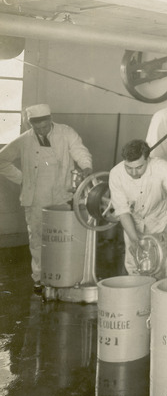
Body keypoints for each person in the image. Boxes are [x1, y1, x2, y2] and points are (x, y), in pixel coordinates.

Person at [0, 103, 93, 290]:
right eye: (37, 128)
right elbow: (2, 160)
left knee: (65, 236)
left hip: (62, 193)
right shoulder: (24, 140)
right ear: (30, 125)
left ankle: (67, 274)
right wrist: (22, 179)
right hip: (36, 196)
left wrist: (87, 167)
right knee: (38, 237)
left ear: (51, 119)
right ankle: (40, 278)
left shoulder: (66, 132)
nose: (42, 131)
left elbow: (79, 150)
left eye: (45, 126)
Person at [108, 139, 167, 275]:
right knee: (135, 264)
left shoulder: (161, 168)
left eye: (139, 167)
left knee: (161, 262)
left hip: (160, 219)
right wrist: (134, 240)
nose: (133, 173)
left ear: (148, 159)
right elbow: (122, 210)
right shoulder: (116, 174)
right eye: (129, 167)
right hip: (134, 221)